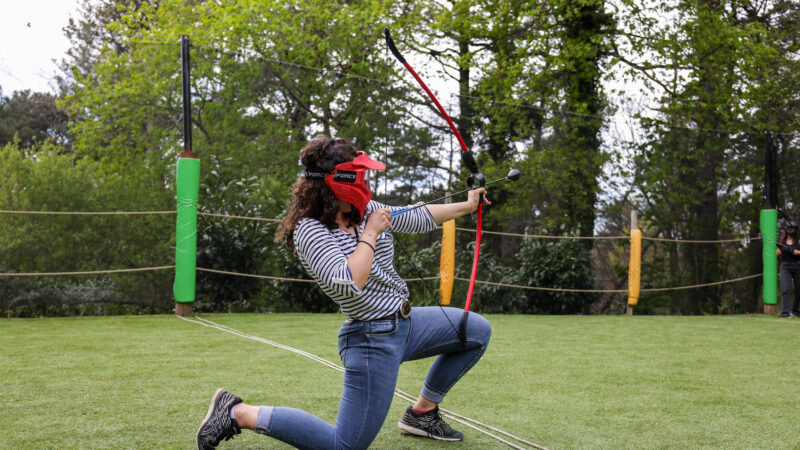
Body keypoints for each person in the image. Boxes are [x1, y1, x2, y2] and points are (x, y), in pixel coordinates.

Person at [196, 137, 493, 449]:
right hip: (370, 341)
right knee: (344, 446)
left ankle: (422, 413)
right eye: (360, 176)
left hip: (405, 324)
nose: (366, 183)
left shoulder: (366, 210)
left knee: (475, 331)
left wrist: (469, 205)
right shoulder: (310, 230)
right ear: (338, 182)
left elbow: (418, 216)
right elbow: (350, 281)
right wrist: (372, 233)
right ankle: (238, 412)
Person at [776, 220, 800, 318]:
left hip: (797, 266)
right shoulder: (781, 242)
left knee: (799, 289)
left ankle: (795, 310)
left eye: (794, 228)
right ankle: (785, 312)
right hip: (785, 266)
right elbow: (777, 252)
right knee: (785, 289)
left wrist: (798, 252)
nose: (792, 230)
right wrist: (778, 253)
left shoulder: (799, 240)